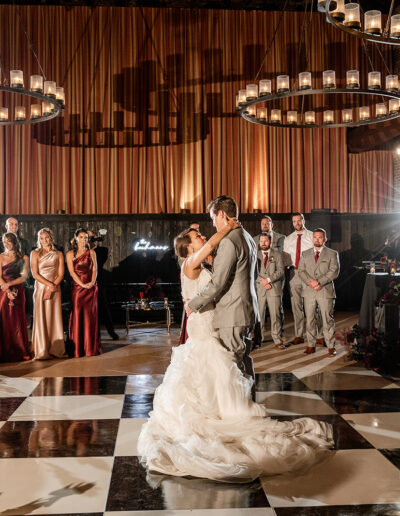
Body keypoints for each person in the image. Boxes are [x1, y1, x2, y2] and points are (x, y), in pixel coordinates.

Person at [137, 215, 333, 482]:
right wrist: (227, 227)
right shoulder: (189, 263)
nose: (203, 237)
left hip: (211, 320)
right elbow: (209, 255)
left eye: (202, 235)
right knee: (208, 365)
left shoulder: (199, 262)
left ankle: (217, 410)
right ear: (188, 248)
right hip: (202, 324)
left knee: (215, 370)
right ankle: (213, 416)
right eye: (197, 238)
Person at [186, 196, 259, 386]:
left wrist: (193, 304)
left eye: (213, 218)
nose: (213, 223)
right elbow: (255, 273)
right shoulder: (247, 237)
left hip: (232, 313)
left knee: (232, 365)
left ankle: (239, 411)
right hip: (248, 309)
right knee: (245, 360)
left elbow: (217, 283)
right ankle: (248, 403)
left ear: (222, 214)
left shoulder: (229, 241)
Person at [298, 228, 340, 356]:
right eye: (315, 237)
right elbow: (301, 271)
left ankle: (331, 346)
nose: (317, 239)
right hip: (309, 291)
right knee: (310, 319)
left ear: (324, 239)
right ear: (312, 239)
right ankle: (311, 345)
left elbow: (334, 272)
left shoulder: (332, 253)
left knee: (327, 319)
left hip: (325, 291)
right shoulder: (305, 254)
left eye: (320, 237)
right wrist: (311, 282)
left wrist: (319, 282)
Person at [30, 228, 66, 360]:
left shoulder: (59, 254)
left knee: (54, 317)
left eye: (47, 237)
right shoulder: (34, 253)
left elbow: (61, 274)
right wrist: (48, 285)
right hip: (40, 289)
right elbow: (34, 274)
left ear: (51, 238)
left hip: (55, 289)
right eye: (42, 238)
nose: (44, 240)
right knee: (41, 317)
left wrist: (52, 287)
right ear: (39, 240)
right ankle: (42, 349)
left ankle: (56, 349)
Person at [66, 228, 101, 357]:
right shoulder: (70, 254)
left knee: (90, 317)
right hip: (78, 288)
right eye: (81, 237)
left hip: (91, 288)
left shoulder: (91, 252)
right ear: (76, 238)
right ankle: (77, 348)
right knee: (77, 315)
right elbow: (71, 272)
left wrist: (91, 283)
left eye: (85, 238)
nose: (83, 240)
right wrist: (82, 285)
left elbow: (95, 269)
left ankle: (90, 348)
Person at [283, 212, 315, 345]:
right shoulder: (288, 239)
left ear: (303, 221)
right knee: (296, 306)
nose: (297, 223)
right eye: (294, 221)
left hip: (308, 274)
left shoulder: (312, 236)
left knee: (312, 306)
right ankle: (299, 335)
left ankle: (316, 335)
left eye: (299, 220)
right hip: (294, 273)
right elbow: (286, 258)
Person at [0, 233, 31, 362]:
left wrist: (11, 285)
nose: (6, 244)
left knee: (17, 320)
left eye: (9, 241)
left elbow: (24, 277)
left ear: (15, 242)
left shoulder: (24, 258)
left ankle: (19, 350)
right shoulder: (0, 257)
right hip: (3, 291)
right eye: (4, 241)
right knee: (4, 318)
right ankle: (4, 351)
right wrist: (7, 289)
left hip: (18, 290)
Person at [255, 233, 286, 349]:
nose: (263, 243)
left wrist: (268, 280)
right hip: (260, 289)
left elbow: (280, 271)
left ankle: (277, 339)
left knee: (275, 315)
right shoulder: (255, 254)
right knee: (259, 316)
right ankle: (259, 339)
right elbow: (252, 271)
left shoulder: (277, 254)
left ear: (270, 241)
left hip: (273, 289)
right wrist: (262, 281)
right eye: (261, 241)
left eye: (265, 241)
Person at [87, 230, 119, 341]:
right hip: (84, 283)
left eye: (92, 237)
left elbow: (98, 261)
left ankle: (111, 332)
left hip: (98, 283)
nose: (91, 239)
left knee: (103, 308)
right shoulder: (81, 251)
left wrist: (91, 245)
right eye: (89, 237)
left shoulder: (101, 250)